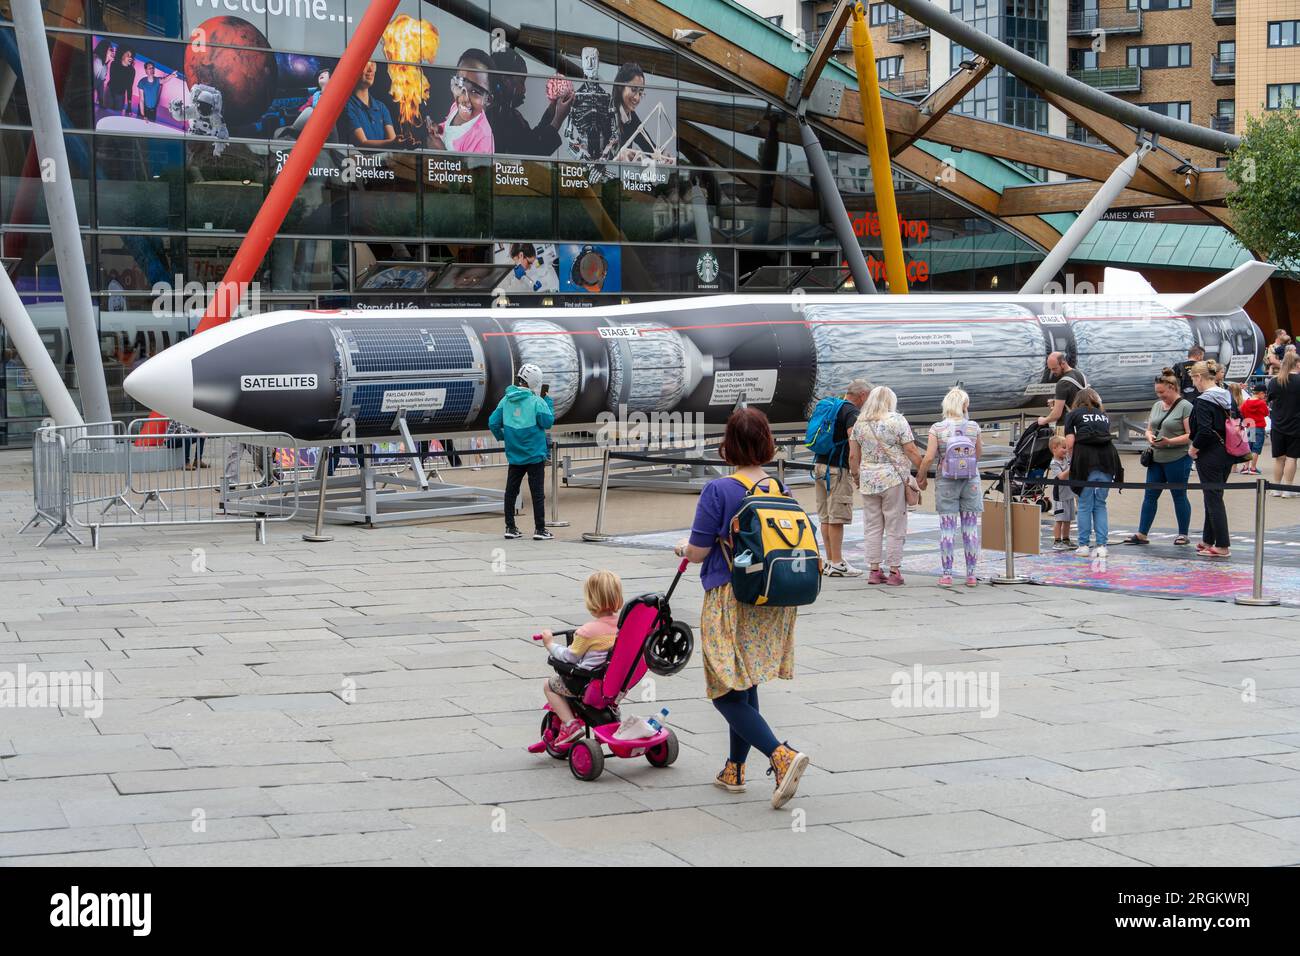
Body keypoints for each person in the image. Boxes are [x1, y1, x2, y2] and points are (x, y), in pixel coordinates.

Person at [674, 407, 810, 810]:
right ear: (766, 442)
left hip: (729, 598)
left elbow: (698, 552)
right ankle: (734, 768)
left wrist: (682, 548)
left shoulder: (720, 490)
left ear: (728, 444)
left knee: (723, 689)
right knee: (744, 678)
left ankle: (780, 755)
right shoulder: (778, 488)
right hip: (770, 598)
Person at [538, 570, 622, 746]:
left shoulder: (587, 631)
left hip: (586, 684)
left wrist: (550, 644)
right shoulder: (623, 626)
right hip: (616, 684)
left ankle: (570, 725)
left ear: (591, 599)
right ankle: (610, 717)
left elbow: (570, 657)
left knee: (549, 685)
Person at [849, 385, 922, 586]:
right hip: (893, 479)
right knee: (894, 524)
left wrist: (856, 476)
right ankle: (894, 571)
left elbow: (853, 455)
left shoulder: (860, 423)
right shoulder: (897, 420)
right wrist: (922, 471)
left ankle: (874, 570)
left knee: (872, 525)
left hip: (868, 480)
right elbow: (911, 450)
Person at [917, 386, 982, 587]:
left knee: (947, 527)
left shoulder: (937, 428)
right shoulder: (974, 427)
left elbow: (929, 457)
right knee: (970, 528)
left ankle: (947, 574)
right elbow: (978, 455)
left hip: (946, 480)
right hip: (970, 480)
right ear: (965, 405)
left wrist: (921, 476)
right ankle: (971, 575)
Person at [1123, 369, 1193, 546]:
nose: (1160, 395)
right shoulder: (1156, 406)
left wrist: (1169, 442)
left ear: (1173, 388)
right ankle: (1142, 533)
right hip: (1156, 457)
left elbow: (1190, 435)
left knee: (1179, 495)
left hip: (1178, 457)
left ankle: (1183, 534)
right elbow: (1149, 428)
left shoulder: (1186, 406)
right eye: (1157, 392)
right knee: (1150, 495)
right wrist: (1148, 436)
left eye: (1162, 392)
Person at [488, 362, 555, 541]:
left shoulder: (505, 400)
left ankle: (510, 526)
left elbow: (493, 422)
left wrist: (503, 436)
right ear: (535, 382)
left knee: (511, 490)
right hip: (535, 455)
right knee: (537, 492)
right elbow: (547, 422)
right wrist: (548, 402)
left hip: (514, 455)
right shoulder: (537, 402)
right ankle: (540, 529)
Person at [814, 379, 871, 577]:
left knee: (826, 516)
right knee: (837, 516)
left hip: (820, 466)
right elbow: (853, 444)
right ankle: (837, 563)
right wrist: (856, 472)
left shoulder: (832, 405)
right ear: (863, 395)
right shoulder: (851, 413)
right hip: (837, 469)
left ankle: (831, 560)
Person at [1063, 387, 1122, 559]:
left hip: (1085, 460)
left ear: (1077, 401)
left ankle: (1083, 545)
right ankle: (1102, 545)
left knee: (1084, 504)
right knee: (1100, 503)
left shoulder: (1072, 414)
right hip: (1107, 459)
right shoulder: (1103, 415)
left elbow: (1070, 441)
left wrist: (1071, 460)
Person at [1188, 360, 1237, 556]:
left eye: (1193, 379)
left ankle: (1223, 545)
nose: (1194, 383)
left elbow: (1205, 431)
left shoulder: (1202, 401)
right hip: (1228, 450)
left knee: (1213, 498)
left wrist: (1194, 448)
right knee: (1214, 495)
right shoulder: (1227, 396)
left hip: (1209, 454)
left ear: (1199, 377)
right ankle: (1209, 540)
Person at [487, 49, 574, 156]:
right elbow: (532, 152)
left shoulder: (508, 113)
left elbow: (531, 140)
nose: (524, 90)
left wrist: (552, 111)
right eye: (521, 82)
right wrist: (558, 119)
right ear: (506, 80)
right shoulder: (495, 117)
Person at [430, 50, 495, 153]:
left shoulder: (482, 138)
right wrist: (438, 129)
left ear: (488, 100)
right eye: (460, 85)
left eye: (475, 91)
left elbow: (475, 169)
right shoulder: (456, 107)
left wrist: (442, 153)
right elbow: (449, 128)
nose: (464, 98)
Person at [1266, 351, 1300, 498]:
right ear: (1297, 363)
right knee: (1292, 458)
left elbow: (1270, 399)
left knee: (1279, 458)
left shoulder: (1275, 381)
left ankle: (1276, 488)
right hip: (1296, 424)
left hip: (1278, 424)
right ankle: (1288, 489)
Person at [342, 61, 398, 148]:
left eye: (373, 64)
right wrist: (398, 143)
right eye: (366, 63)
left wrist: (401, 143)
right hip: (360, 161)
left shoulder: (381, 107)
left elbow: (393, 141)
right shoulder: (347, 105)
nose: (371, 69)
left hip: (381, 161)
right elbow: (362, 144)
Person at [1036, 351, 1087, 430]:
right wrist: (1057, 402)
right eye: (1050, 369)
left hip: (1067, 427)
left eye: (1054, 368)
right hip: (1081, 424)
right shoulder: (1080, 375)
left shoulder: (1062, 383)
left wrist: (1043, 420)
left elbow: (1056, 414)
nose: (1052, 372)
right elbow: (1074, 398)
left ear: (1063, 363)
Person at [1047, 436, 1076, 551]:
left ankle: (1066, 539)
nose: (1066, 450)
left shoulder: (1066, 459)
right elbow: (1062, 477)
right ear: (1054, 449)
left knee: (1068, 519)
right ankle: (1057, 540)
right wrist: (1071, 468)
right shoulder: (1054, 463)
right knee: (1059, 519)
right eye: (1063, 448)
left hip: (1069, 494)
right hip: (1060, 495)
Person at [1239, 383, 1270, 476]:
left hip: (1249, 427)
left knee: (1248, 447)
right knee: (1256, 449)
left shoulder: (1246, 402)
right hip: (1259, 427)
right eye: (1264, 394)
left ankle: (1245, 467)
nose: (1265, 396)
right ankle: (1253, 468)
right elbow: (1266, 413)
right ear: (1260, 393)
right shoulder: (1261, 403)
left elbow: (1242, 412)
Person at [106, 47, 136, 115]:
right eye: (128, 55)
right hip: (109, 92)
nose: (130, 58)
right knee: (107, 114)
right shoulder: (114, 64)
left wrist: (129, 105)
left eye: (131, 56)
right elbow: (113, 80)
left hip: (120, 95)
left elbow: (129, 88)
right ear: (122, 55)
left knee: (117, 115)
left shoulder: (132, 71)